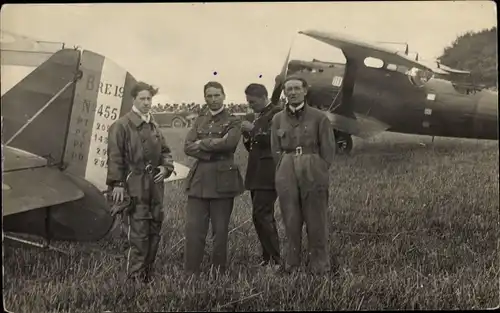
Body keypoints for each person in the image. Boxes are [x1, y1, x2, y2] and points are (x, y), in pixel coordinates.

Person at [106, 81, 175, 283]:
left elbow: (165, 152)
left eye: (149, 99)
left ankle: (147, 274)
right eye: (142, 98)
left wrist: (166, 168)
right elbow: (115, 157)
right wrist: (117, 183)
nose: (146, 102)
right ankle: (134, 279)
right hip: (133, 184)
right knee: (138, 233)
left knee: (155, 227)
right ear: (133, 99)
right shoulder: (121, 126)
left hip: (155, 185)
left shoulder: (153, 125)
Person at [270, 75, 335, 274]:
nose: (292, 92)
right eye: (288, 89)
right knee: (290, 218)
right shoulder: (278, 118)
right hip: (287, 165)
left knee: (316, 220)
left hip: (312, 164)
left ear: (305, 91)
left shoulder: (319, 117)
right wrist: (283, 167)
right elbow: (275, 148)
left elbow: (328, 149)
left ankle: (319, 266)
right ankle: (292, 264)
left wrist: (318, 167)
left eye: (297, 88)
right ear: (284, 93)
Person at [183, 81, 245, 276]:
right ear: (205, 98)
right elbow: (187, 146)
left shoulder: (234, 120)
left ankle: (218, 270)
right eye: (209, 96)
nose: (213, 99)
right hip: (199, 180)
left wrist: (202, 143)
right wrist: (211, 148)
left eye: (217, 95)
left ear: (224, 95)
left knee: (220, 230)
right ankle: (191, 270)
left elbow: (229, 144)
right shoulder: (200, 120)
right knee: (194, 229)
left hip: (223, 180)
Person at [241, 83, 282, 267]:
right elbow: (252, 148)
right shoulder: (261, 115)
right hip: (257, 172)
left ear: (264, 96)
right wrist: (248, 136)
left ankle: (274, 259)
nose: (250, 105)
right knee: (259, 216)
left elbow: (276, 139)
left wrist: (252, 130)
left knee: (262, 214)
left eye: (253, 101)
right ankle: (268, 257)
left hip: (269, 173)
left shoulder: (277, 113)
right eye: (248, 102)